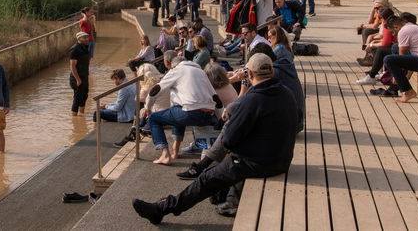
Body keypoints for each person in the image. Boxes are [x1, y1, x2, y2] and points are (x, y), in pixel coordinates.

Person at [133, 53, 298, 224]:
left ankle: (161, 209)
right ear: (271, 71)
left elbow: (228, 141)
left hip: (260, 163)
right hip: (282, 159)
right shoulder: (286, 92)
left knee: (207, 178)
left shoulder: (252, 101)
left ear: (249, 74)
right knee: (223, 170)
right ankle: (225, 197)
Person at [145, 56, 219, 165]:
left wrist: (147, 107)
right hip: (206, 115)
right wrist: (220, 115)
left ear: (174, 65)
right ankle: (175, 151)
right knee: (176, 111)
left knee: (154, 118)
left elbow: (156, 90)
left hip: (188, 114)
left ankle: (165, 155)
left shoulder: (176, 70)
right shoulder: (200, 72)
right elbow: (215, 97)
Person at [114, 59, 173, 147]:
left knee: (139, 105)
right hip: (170, 110)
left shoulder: (147, 87)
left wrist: (140, 86)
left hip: (160, 114)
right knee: (143, 106)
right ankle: (134, 131)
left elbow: (137, 99)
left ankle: (134, 131)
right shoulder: (162, 80)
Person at [383, 16, 418, 103]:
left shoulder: (403, 31)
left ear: (396, 27)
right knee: (395, 47)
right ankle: (399, 86)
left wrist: (396, 75)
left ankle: (407, 91)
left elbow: (402, 57)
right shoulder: (410, 26)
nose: (393, 34)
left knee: (388, 59)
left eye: (393, 31)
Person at [356, 8, 396, 85]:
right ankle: (378, 72)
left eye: (380, 18)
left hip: (399, 49)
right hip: (398, 47)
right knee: (379, 49)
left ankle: (371, 76)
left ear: (383, 18)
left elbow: (386, 43)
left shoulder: (388, 25)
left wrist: (371, 45)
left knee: (380, 50)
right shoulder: (392, 22)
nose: (379, 20)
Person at [69, 32, 90, 117]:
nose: (87, 39)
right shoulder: (75, 49)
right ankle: (74, 118)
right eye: (84, 38)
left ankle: (81, 116)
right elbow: (72, 66)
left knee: (84, 95)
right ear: (79, 39)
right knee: (77, 98)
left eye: (87, 37)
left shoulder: (85, 47)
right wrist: (78, 79)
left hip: (84, 76)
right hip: (76, 78)